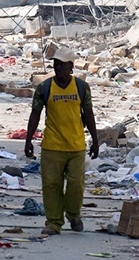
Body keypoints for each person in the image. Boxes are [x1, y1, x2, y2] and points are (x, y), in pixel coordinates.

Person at [24, 47, 99, 235]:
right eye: (56, 63)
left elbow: (88, 114)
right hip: (52, 145)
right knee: (51, 185)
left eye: (62, 64)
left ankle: (73, 214)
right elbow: (35, 114)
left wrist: (96, 140)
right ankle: (54, 222)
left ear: (71, 67)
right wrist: (28, 140)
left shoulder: (81, 87)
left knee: (76, 183)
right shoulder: (44, 87)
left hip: (76, 145)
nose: (58, 67)